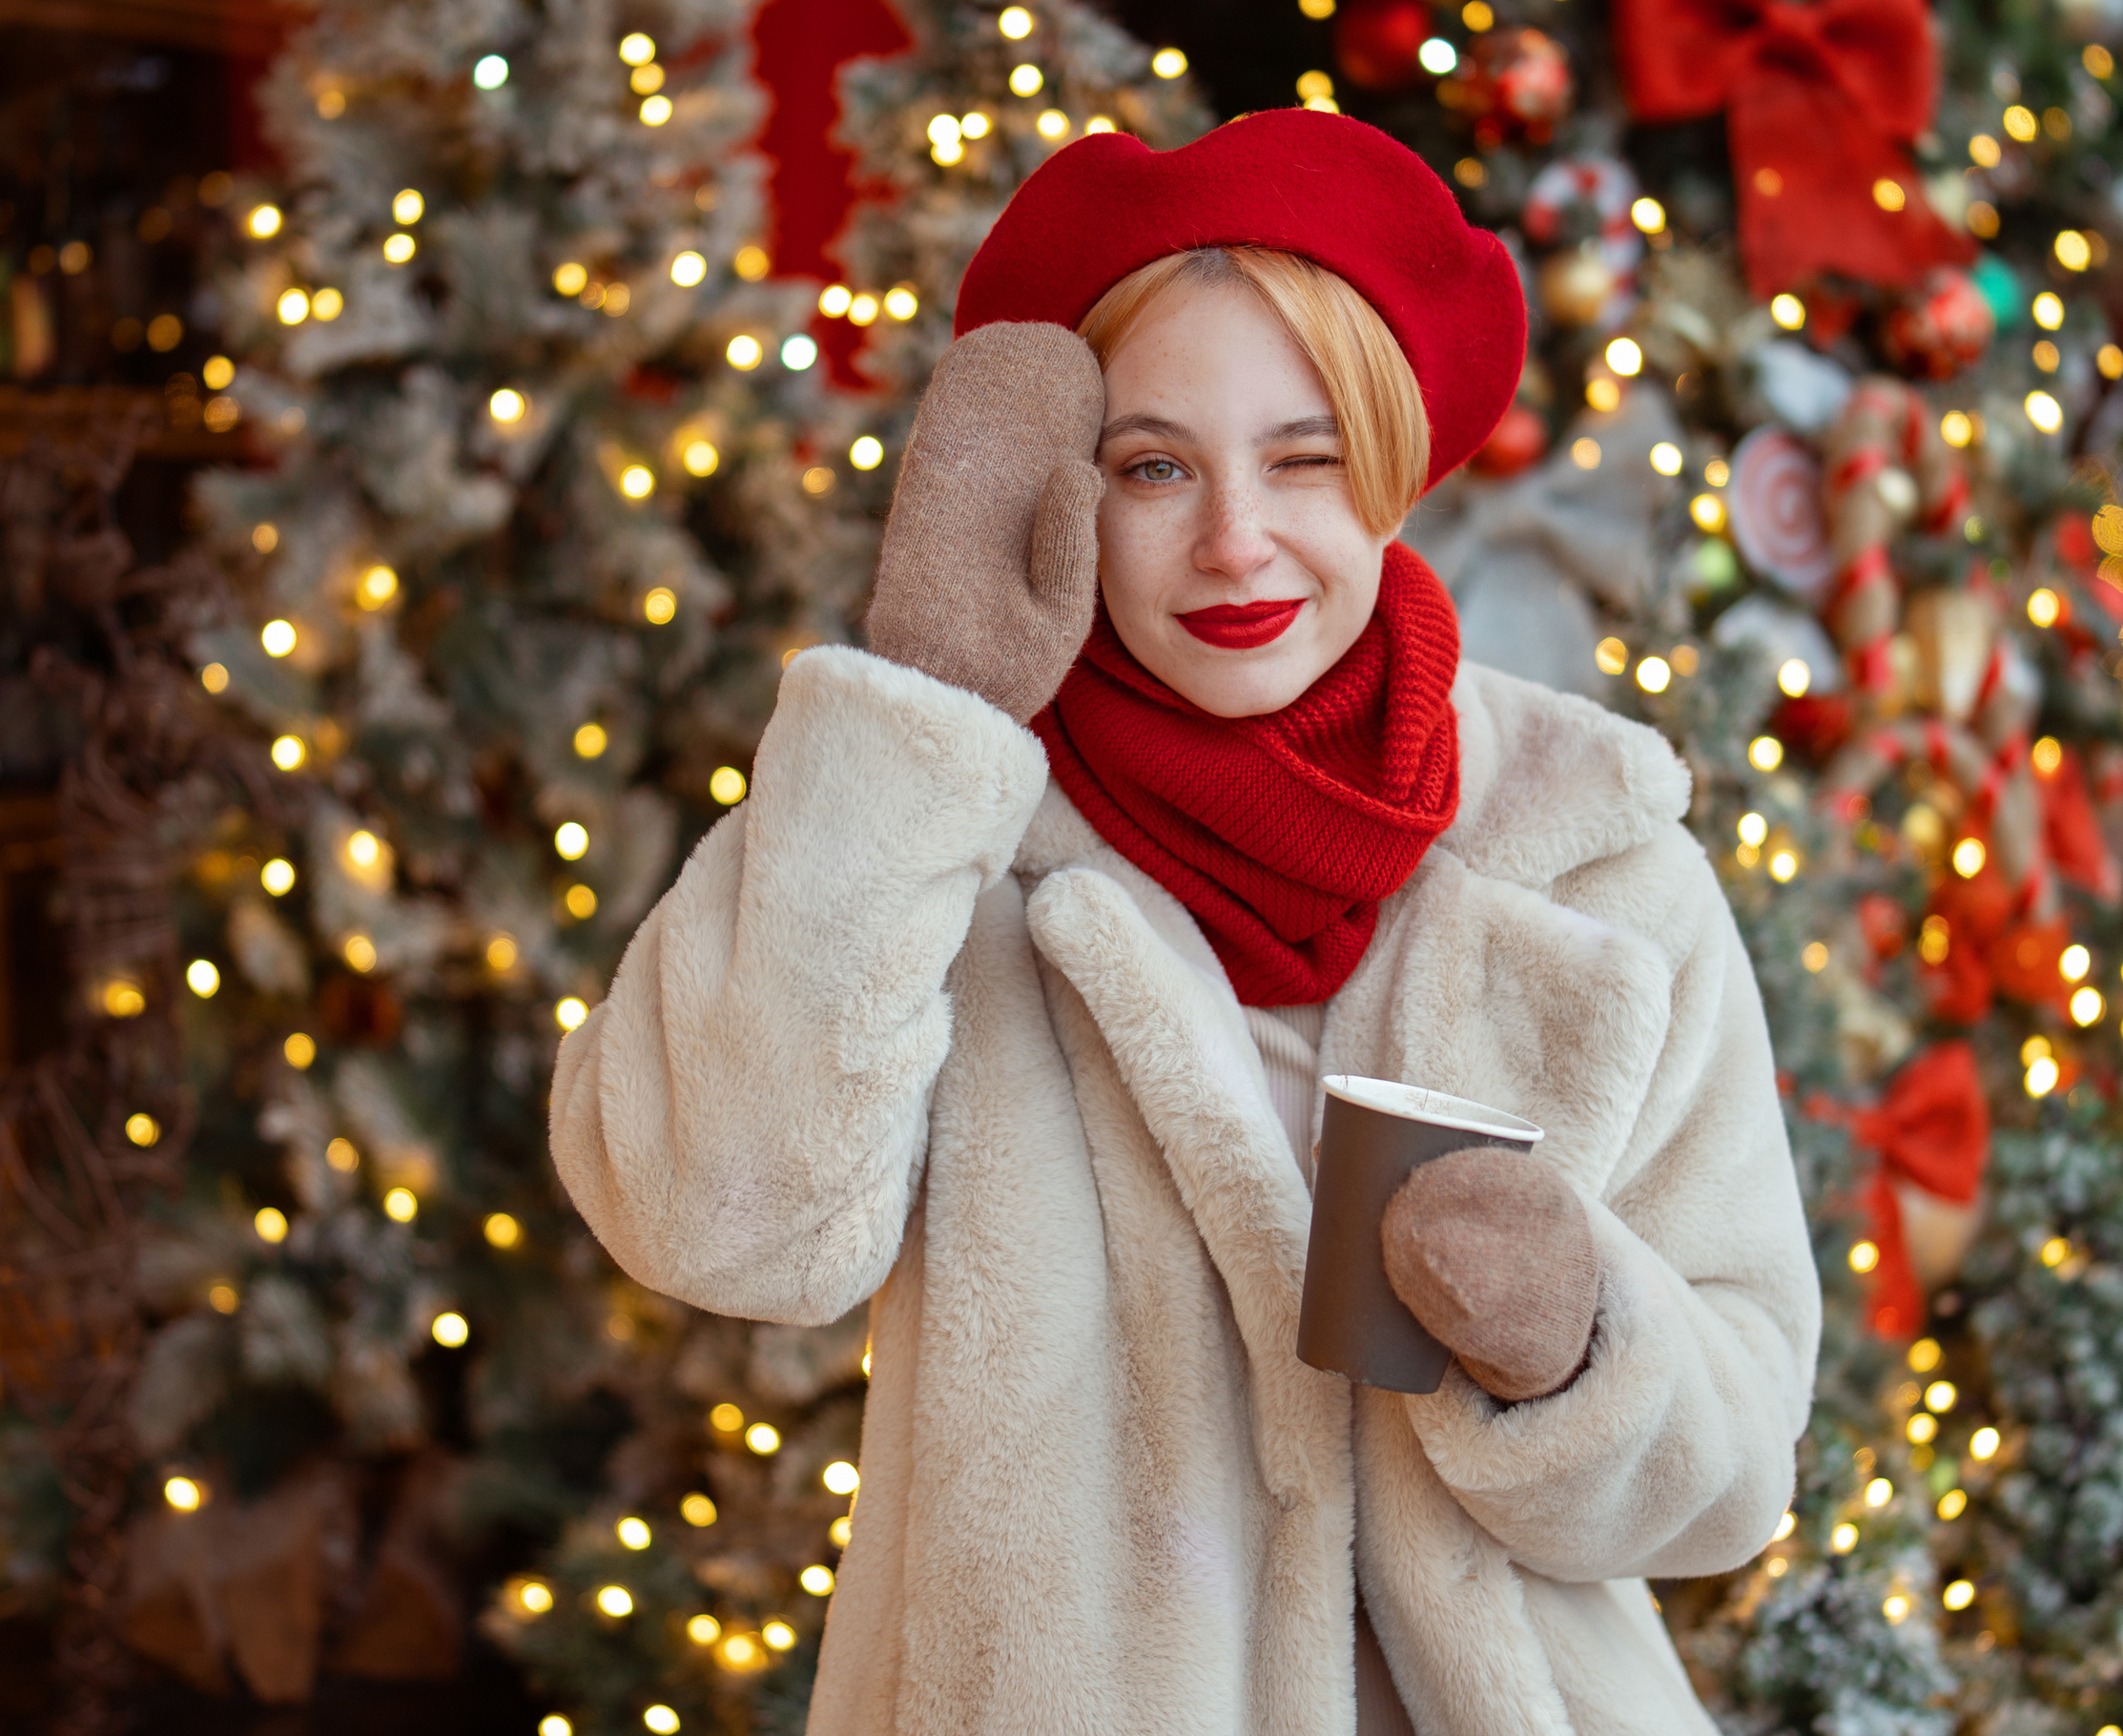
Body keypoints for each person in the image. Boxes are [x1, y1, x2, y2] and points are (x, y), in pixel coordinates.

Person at [550, 110, 1818, 1736]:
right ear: (1073, 493)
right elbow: (712, 1222)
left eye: (1303, 457)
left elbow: (1728, 1485)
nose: (1235, 541)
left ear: (1394, 466)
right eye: (1156, 467)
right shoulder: (944, 829)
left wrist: (1574, 1344)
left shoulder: (1601, 870)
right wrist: (925, 702)